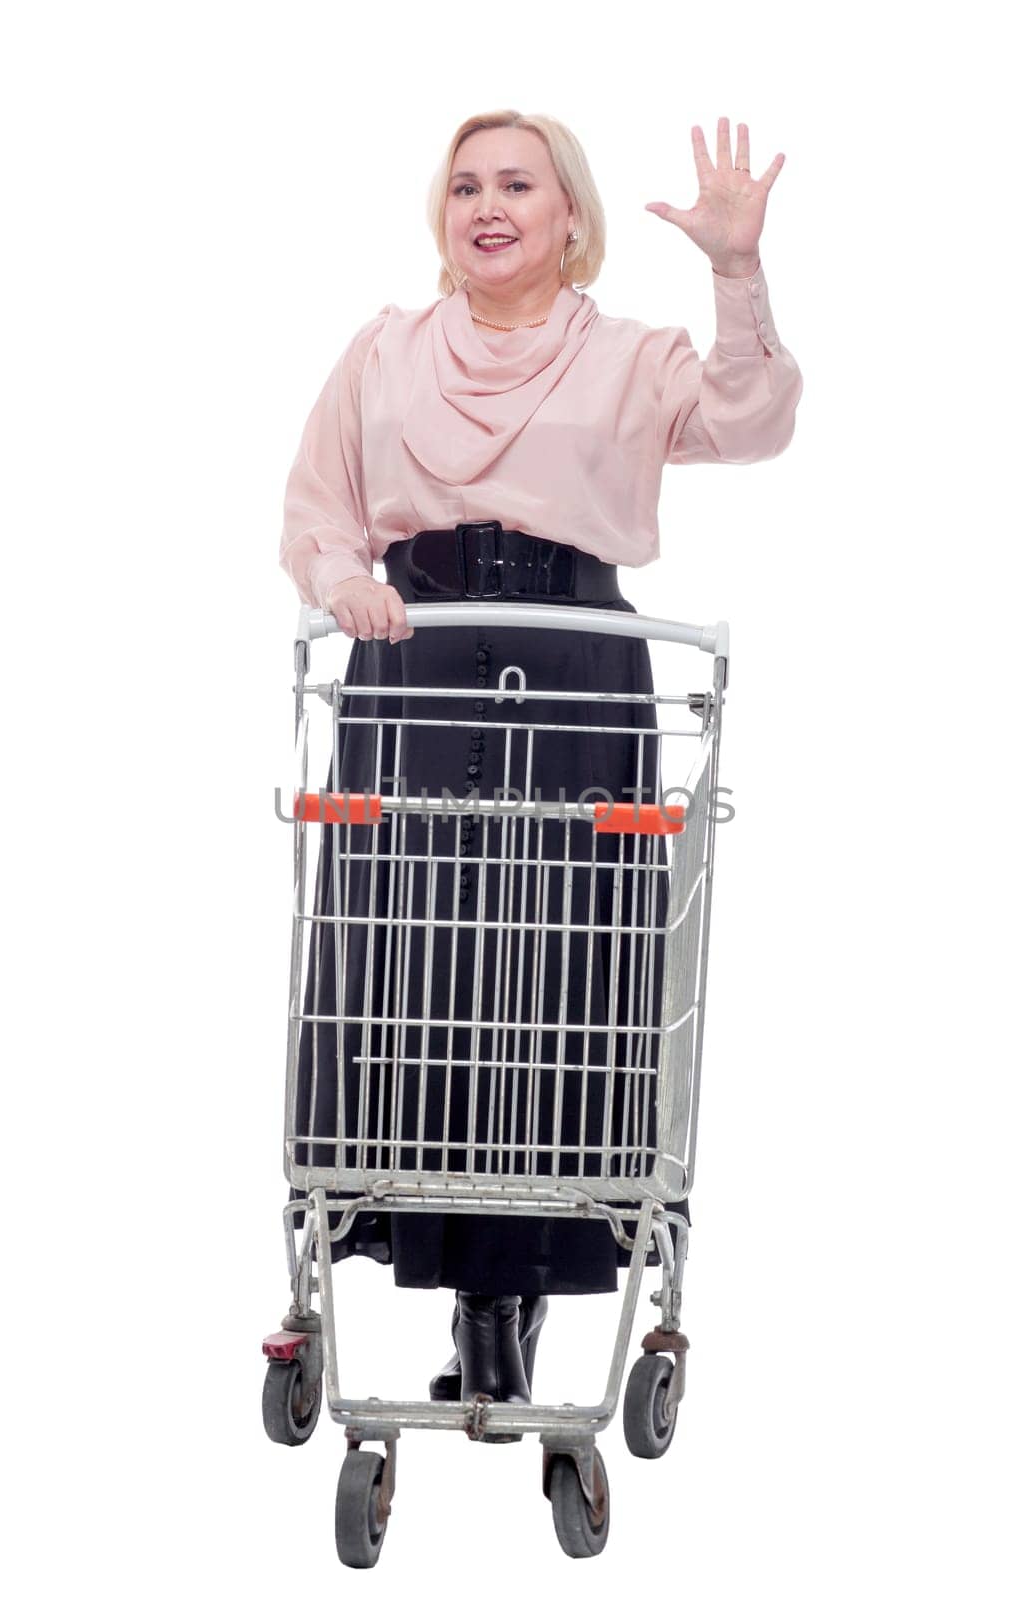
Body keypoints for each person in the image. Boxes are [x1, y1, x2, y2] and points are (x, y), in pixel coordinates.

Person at [279, 109, 802, 1417]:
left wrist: (736, 273)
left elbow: (753, 422)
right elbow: (317, 508)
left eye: (520, 182)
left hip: (574, 669)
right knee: (419, 959)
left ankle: (511, 1297)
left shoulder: (630, 357)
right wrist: (347, 584)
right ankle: (432, 1266)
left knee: (557, 967)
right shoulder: (385, 352)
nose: (489, 203)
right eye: (466, 185)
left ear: (573, 219)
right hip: (416, 654)